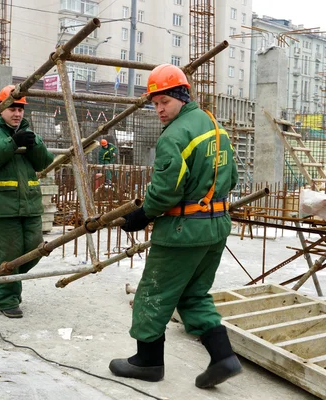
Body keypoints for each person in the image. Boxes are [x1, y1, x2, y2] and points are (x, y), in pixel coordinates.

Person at [109, 64, 241, 388]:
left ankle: (148, 363)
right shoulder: (214, 126)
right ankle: (223, 356)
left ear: (182, 96)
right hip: (216, 228)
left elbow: (167, 190)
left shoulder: (175, 136)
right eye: (154, 104)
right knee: (194, 295)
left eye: (164, 102)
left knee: (153, 294)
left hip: (183, 232)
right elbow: (234, 177)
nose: (159, 110)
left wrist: (144, 214)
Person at [0, 85, 55, 319]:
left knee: (36, 249)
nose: (17, 113)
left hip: (29, 204)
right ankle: (7, 299)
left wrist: (33, 144)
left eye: (20, 108)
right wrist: (12, 142)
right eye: (12, 108)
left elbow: (43, 164)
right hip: (2, 207)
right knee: (7, 256)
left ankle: (11, 280)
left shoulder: (29, 133)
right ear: (1, 108)